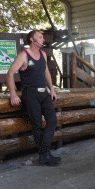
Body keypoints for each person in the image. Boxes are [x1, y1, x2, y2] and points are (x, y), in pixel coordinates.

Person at [7, 30, 61, 165]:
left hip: (44, 93)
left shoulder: (43, 54)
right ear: (32, 39)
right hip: (30, 94)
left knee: (52, 120)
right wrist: (13, 94)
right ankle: (45, 155)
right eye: (40, 37)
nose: (43, 40)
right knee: (37, 124)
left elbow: (46, 72)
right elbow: (10, 73)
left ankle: (44, 154)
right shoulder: (23, 55)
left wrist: (52, 89)